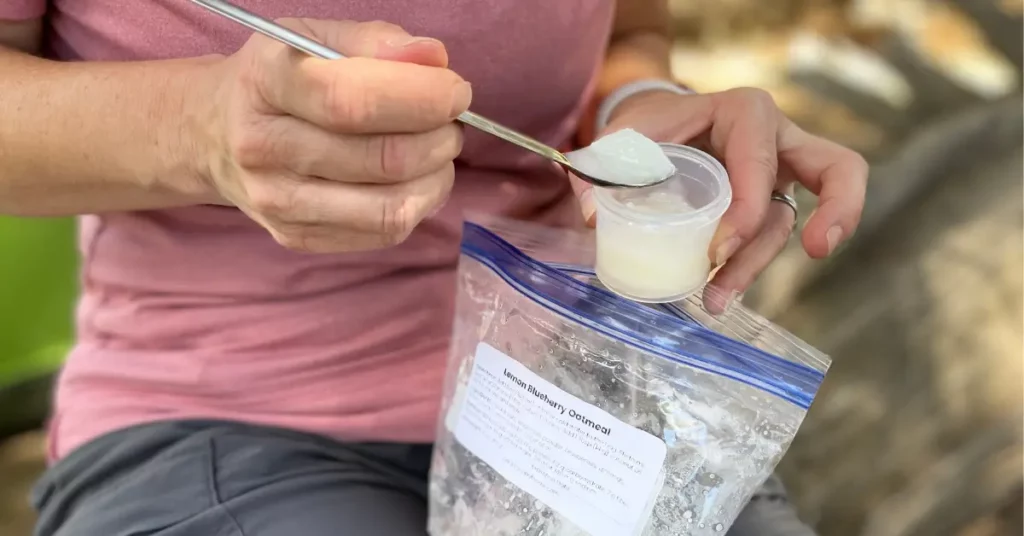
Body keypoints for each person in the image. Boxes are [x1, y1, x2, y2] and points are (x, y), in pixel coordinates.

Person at [0, 0, 866, 534]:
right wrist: (196, 129)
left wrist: (640, 112)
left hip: (583, 390)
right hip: (230, 403)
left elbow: (629, 26)